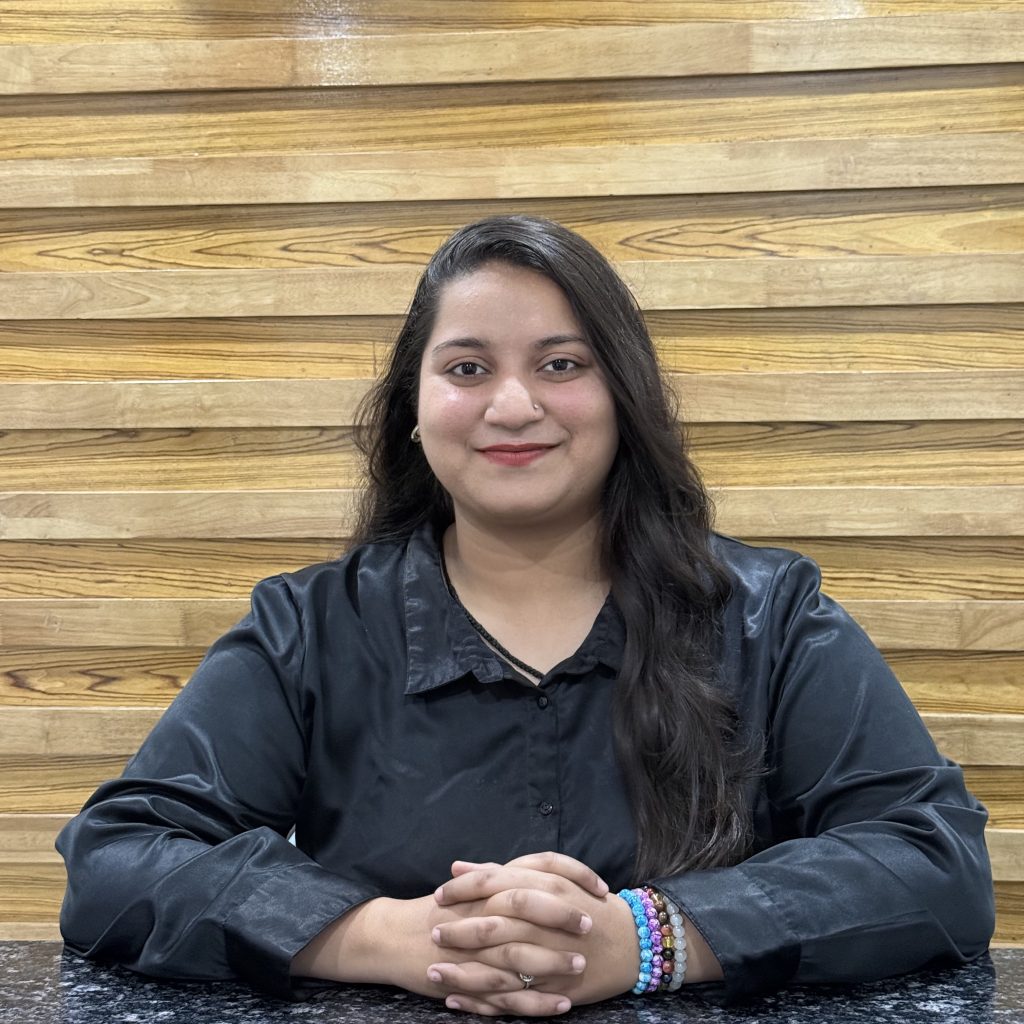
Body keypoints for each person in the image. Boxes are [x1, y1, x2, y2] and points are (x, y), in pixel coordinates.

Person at [56, 215, 995, 1017]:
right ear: (414, 409)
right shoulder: (311, 626)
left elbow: (932, 858)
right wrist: (389, 937)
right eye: (467, 367)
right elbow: (119, 856)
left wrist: (649, 938)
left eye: (561, 364)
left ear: (622, 397)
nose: (513, 405)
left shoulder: (770, 616)